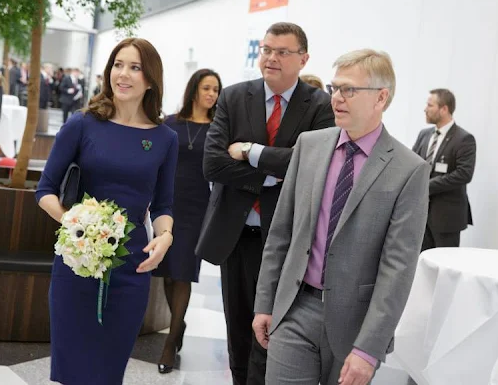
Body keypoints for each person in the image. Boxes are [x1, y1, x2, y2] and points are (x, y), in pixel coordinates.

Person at [253, 49, 430, 385]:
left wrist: (369, 349)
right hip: (295, 308)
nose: (337, 98)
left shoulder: (409, 170)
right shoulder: (310, 146)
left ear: (381, 97)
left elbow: (398, 269)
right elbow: (281, 233)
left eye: (349, 90)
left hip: (356, 325)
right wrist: (265, 302)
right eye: (334, 88)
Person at [196, 22, 335, 385]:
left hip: (285, 243)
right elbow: (213, 164)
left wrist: (249, 152)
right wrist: (272, 175)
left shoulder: (320, 105)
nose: (271, 58)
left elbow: (311, 164)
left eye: (282, 52)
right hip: (235, 236)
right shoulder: (234, 96)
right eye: (267, 50)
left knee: (273, 335)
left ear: (303, 59)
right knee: (238, 333)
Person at [36, 37, 179, 385]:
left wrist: (165, 237)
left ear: (151, 79)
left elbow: (162, 204)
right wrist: (78, 224)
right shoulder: (82, 124)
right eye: (118, 64)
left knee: (108, 371)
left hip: (131, 266)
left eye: (134, 67)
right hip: (77, 263)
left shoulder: (165, 138)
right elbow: (45, 190)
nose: (123, 74)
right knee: (73, 370)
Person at [153, 68, 222, 374]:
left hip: (198, 207)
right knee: (167, 273)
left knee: (183, 272)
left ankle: (170, 341)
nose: (211, 95)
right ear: (194, 90)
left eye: (216, 90)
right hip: (168, 203)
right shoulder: (171, 123)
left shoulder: (219, 128)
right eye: (207, 88)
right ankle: (178, 324)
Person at [412, 88, 476, 250]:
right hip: (421, 216)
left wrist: (426, 186)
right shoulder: (424, 135)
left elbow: (463, 174)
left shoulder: (464, 139)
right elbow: (413, 164)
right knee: (421, 265)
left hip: (447, 218)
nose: (425, 109)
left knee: (445, 266)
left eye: (430, 105)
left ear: (444, 109)